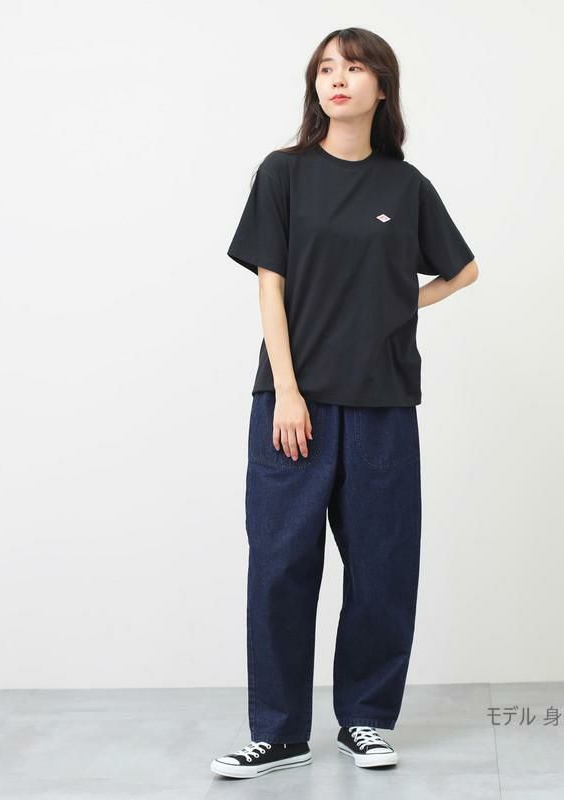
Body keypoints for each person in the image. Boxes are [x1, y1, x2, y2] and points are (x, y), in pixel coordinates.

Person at [211, 26, 479, 780]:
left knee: (382, 568)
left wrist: (394, 307)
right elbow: (270, 287)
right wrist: (287, 391)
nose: (338, 79)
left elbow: (463, 271)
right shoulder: (284, 174)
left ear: (381, 88)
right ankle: (278, 732)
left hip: (383, 405)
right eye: (327, 68)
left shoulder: (405, 186)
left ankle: (366, 720)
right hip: (292, 404)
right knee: (280, 567)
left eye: (355, 68)